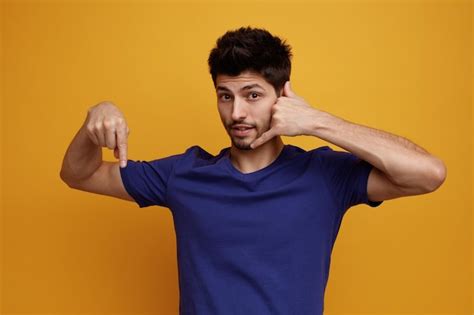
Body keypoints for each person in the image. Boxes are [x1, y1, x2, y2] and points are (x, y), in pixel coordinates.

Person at [60, 26, 447, 315]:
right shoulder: (184, 174)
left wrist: (319, 122)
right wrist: (94, 121)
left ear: (283, 98)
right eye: (225, 96)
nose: (237, 113)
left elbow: (428, 173)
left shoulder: (326, 176)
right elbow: (79, 174)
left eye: (253, 95)